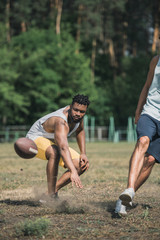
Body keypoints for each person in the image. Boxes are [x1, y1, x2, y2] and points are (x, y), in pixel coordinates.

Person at [115, 55, 160, 214]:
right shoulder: (155, 60)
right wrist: (138, 109)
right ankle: (128, 190)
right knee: (143, 141)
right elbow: (147, 86)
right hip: (150, 112)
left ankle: (124, 199)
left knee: (150, 160)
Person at [25, 94, 90, 200]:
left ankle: (50, 193)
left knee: (81, 165)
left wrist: (83, 153)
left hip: (53, 141)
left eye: (82, 111)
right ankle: (51, 195)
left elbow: (80, 130)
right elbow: (63, 148)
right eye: (76, 110)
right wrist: (72, 171)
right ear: (70, 107)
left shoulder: (78, 117)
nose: (78, 114)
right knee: (55, 152)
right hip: (34, 139)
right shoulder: (61, 121)